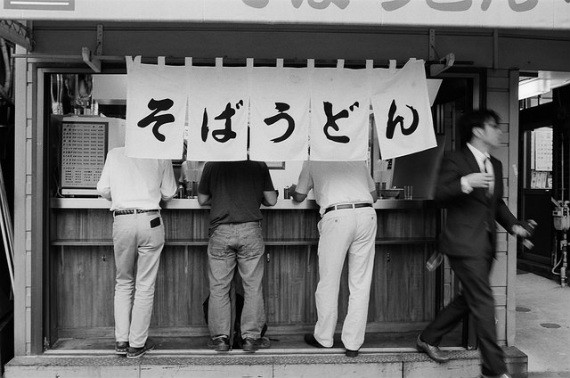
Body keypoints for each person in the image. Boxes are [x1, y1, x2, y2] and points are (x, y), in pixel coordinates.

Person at [416, 109, 532, 378]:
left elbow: (496, 204)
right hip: (462, 243)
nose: (500, 131)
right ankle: (493, 369)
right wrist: (465, 182)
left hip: (486, 244)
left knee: (470, 297)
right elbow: (439, 195)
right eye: (495, 126)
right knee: (483, 302)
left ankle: (428, 337)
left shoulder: (496, 164)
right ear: (478, 131)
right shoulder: (455, 160)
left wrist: (514, 226)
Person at [290, 160, 378, 357]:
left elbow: (299, 195)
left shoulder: (312, 161)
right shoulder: (356, 157)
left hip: (337, 216)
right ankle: (353, 344)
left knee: (328, 282)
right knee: (360, 283)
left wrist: (293, 190)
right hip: (367, 214)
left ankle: (324, 338)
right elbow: (374, 195)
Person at [96, 147, 177, 358]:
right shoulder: (160, 152)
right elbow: (169, 192)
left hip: (122, 219)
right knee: (145, 285)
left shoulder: (114, 154)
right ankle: (137, 344)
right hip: (150, 218)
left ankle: (121, 341)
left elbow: (103, 188)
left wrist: (124, 193)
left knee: (123, 282)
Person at [198, 160, 277, 353]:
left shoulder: (212, 165)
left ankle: (221, 339)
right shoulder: (259, 166)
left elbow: (202, 199)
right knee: (252, 286)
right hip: (250, 230)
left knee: (219, 287)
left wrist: (220, 200)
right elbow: (272, 200)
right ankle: (250, 338)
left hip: (221, 230)